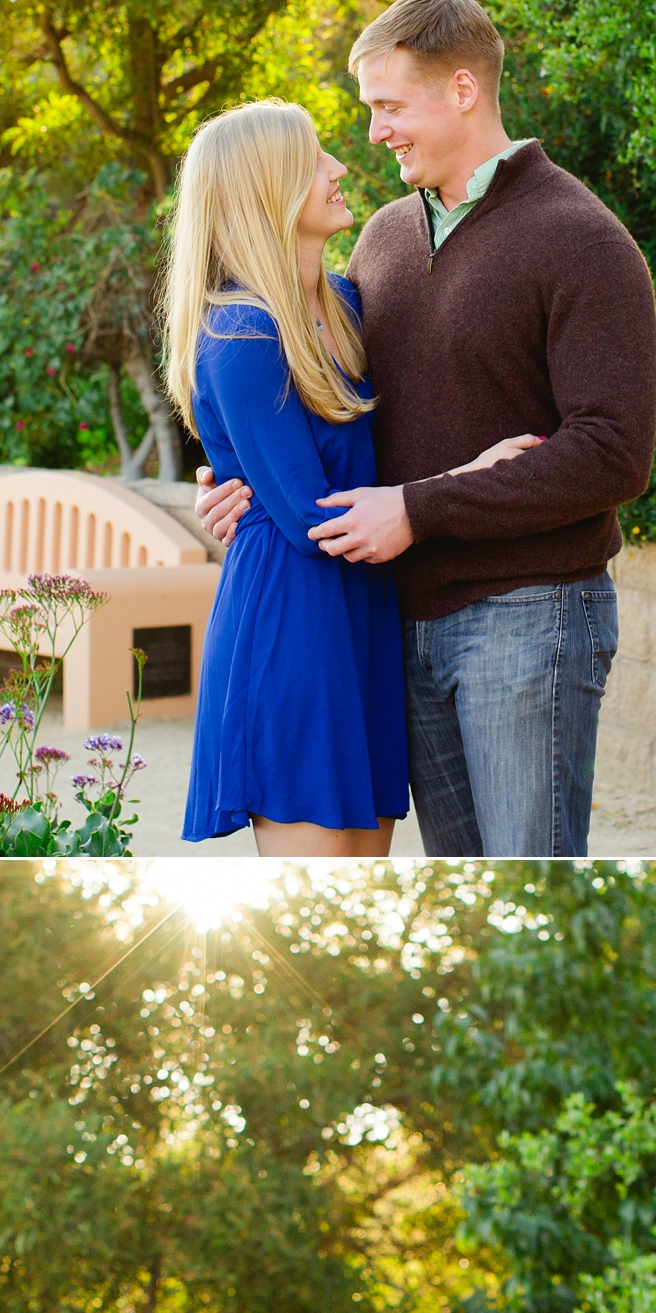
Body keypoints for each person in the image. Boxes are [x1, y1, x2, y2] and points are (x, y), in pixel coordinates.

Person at [194, 0, 656, 861]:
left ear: (461, 89)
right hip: (399, 626)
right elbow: (325, 402)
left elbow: (613, 454)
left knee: (527, 887)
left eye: (389, 106)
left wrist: (426, 505)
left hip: (528, 615)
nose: (374, 134)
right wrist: (239, 477)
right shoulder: (381, 243)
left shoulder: (581, 240)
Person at [170, 99, 538, 858]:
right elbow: (316, 521)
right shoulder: (242, 333)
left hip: (364, 625)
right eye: (312, 161)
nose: (339, 168)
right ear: (265, 191)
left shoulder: (341, 302)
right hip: (295, 627)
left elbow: (384, 445)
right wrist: (472, 475)